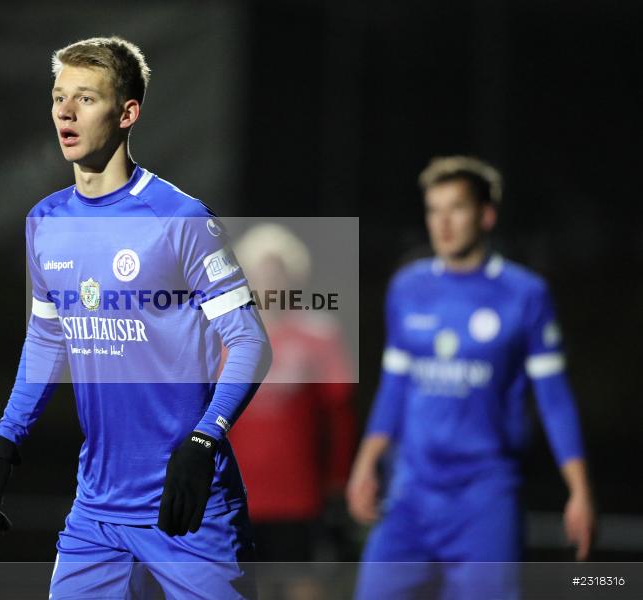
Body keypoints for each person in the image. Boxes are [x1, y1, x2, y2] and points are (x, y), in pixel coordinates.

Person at [0, 37, 271, 599]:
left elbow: (250, 341)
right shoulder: (45, 221)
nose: (65, 111)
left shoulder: (179, 218)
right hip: (97, 513)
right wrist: (5, 440)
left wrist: (205, 440)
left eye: (85, 98)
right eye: (59, 97)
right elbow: (46, 338)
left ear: (127, 113)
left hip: (188, 505)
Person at [347, 156, 595, 599]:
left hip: (484, 498)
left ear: (486, 215)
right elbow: (394, 387)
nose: (442, 223)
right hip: (411, 494)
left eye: (456, 208)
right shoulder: (408, 287)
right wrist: (365, 463)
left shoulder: (524, 294)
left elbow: (554, 399)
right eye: (433, 210)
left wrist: (579, 490)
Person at [229, 223, 356, 563]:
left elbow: (339, 415)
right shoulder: (221, 337)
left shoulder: (319, 335)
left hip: (299, 493)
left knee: (300, 579)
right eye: (260, 272)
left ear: (294, 277)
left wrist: (339, 479)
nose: (269, 282)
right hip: (233, 493)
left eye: (277, 272)